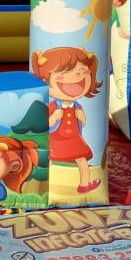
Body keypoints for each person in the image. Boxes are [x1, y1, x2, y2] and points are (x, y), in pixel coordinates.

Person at [31, 46, 102, 194]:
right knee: (49, 160)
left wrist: (82, 117)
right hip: (56, 140)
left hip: (74, 140)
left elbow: (82, 124)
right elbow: (45, 125)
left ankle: (84, 184)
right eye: (65, 72)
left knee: (82, 160)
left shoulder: (77, 106)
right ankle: (43, 184)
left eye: (81, 70)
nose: (77, 75)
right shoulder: (52, 106)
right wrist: (53, 118)